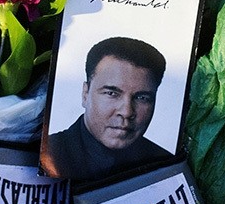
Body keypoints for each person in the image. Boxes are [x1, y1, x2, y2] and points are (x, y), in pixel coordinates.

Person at [43, 37, 173, 182]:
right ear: (85, 94)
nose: (126, 112)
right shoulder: (47, 155)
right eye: (112, 93)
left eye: (142, 98)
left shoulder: (167, 168)